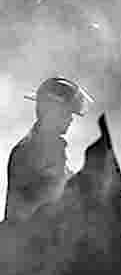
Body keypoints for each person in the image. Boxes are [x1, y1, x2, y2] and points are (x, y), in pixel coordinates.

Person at [4, 77, 94, 224]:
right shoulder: (30, 150)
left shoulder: (51, 146)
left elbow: (64, 181)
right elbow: (47, 197)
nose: (71, 119)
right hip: (30, 240)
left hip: (43, 234)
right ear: (50, 111)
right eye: (67, 113)